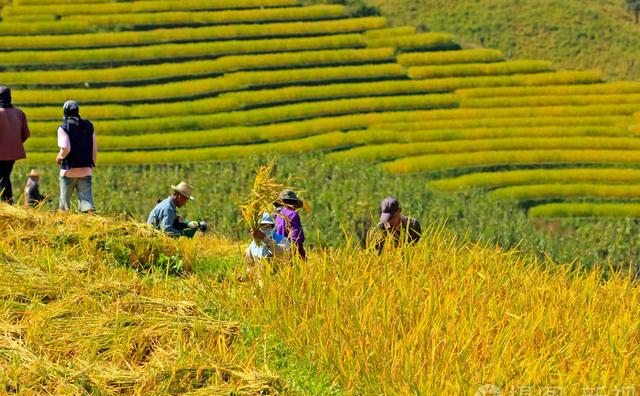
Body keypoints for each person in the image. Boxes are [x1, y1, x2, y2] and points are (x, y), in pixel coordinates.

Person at [56, 100, 96, 213]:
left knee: (64, 204)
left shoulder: (63, 128)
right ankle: (88, 223)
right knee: (87, 203)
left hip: (68, 171)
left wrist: (59, 157)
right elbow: (94, 147)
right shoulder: (89, 126)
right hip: (85, 170)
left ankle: (63, 225)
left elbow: (65, 148)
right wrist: (91, 163)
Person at [0, 86, 30, 204]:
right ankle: (8, 204)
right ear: (10, 97)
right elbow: (25, 134)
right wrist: (13, 144)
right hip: (13, 154)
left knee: (3, 177)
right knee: (5, 176)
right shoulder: (19, 113)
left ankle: (6, 204)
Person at [274, 189, 306, 259]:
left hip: (275, 252)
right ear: (294, 204)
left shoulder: (275, 216)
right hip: (289, 254)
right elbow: (297, 238)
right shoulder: (293, 214)